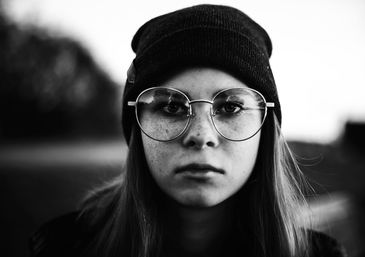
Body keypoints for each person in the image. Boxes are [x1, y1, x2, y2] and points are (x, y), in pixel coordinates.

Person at [30, 4, 347, 257]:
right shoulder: (65, 247)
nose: (201, 135)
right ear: (137, 125)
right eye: (170, 107)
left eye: (230, 108)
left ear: (266, 125)